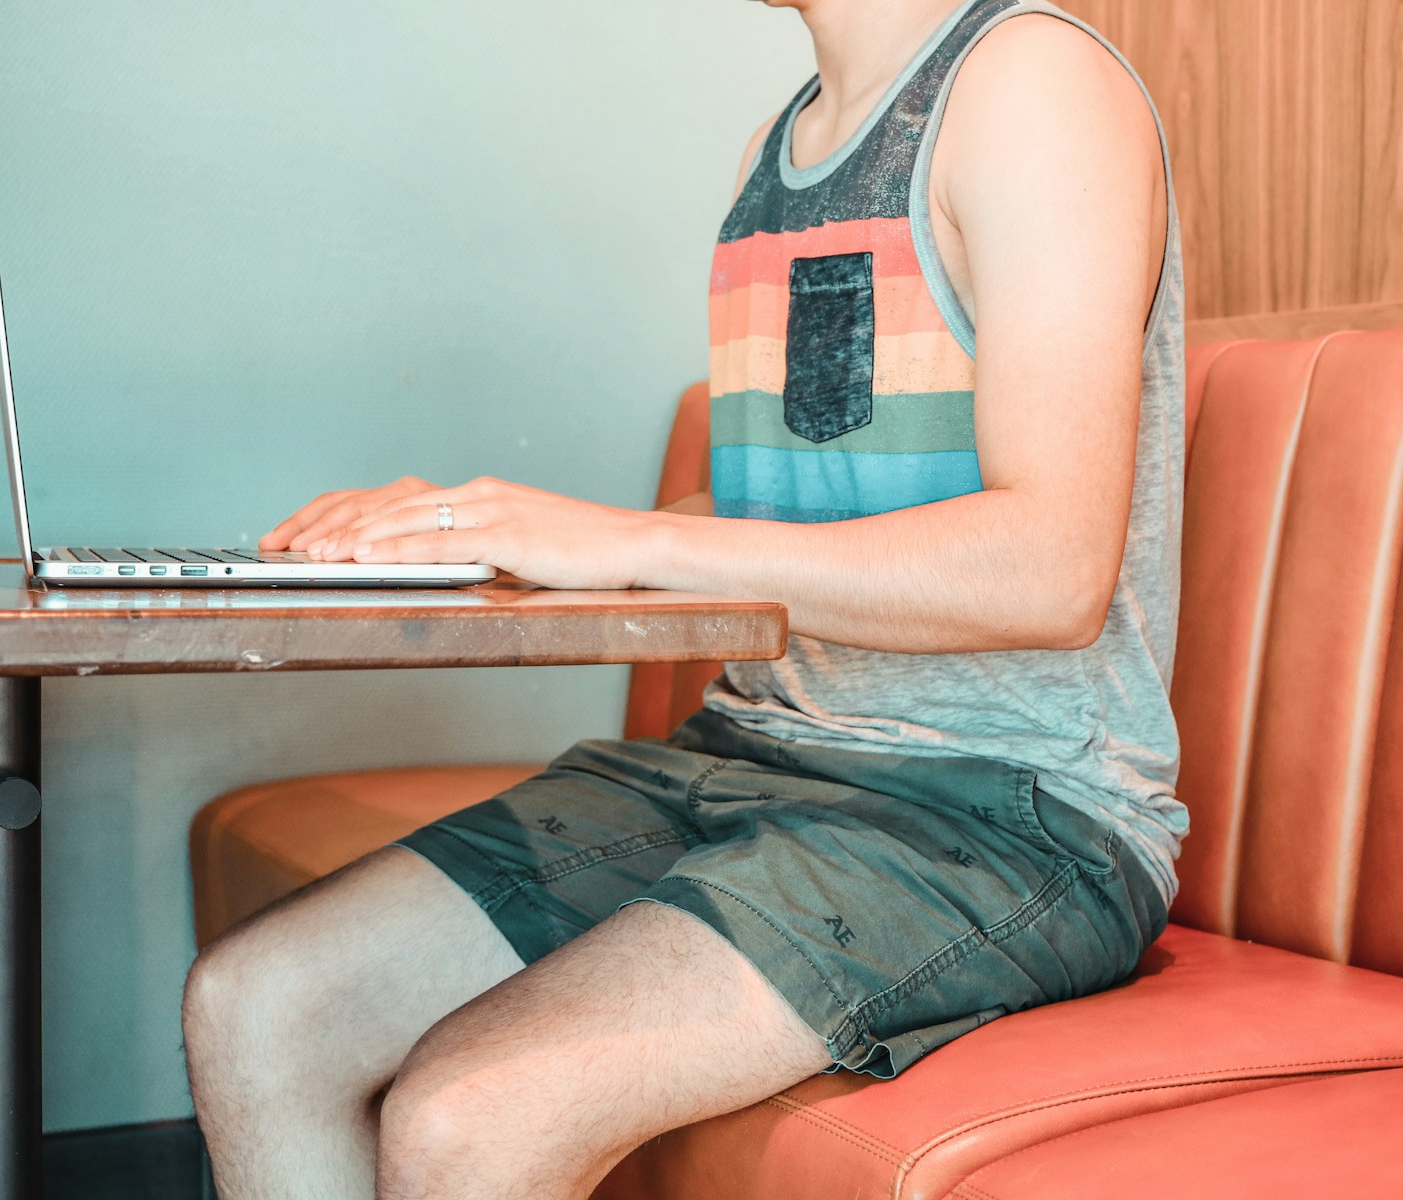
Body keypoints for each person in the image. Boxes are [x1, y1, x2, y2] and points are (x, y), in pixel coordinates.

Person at [181, 1, 1185, 1196]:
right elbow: (806, 529)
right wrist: (486, 538)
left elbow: (1047, 568)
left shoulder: (1030, 83)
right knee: (256, 1007)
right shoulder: (782, 142)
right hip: (748, 749)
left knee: (469, 1111)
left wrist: (618, 538)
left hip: (1002, 809)